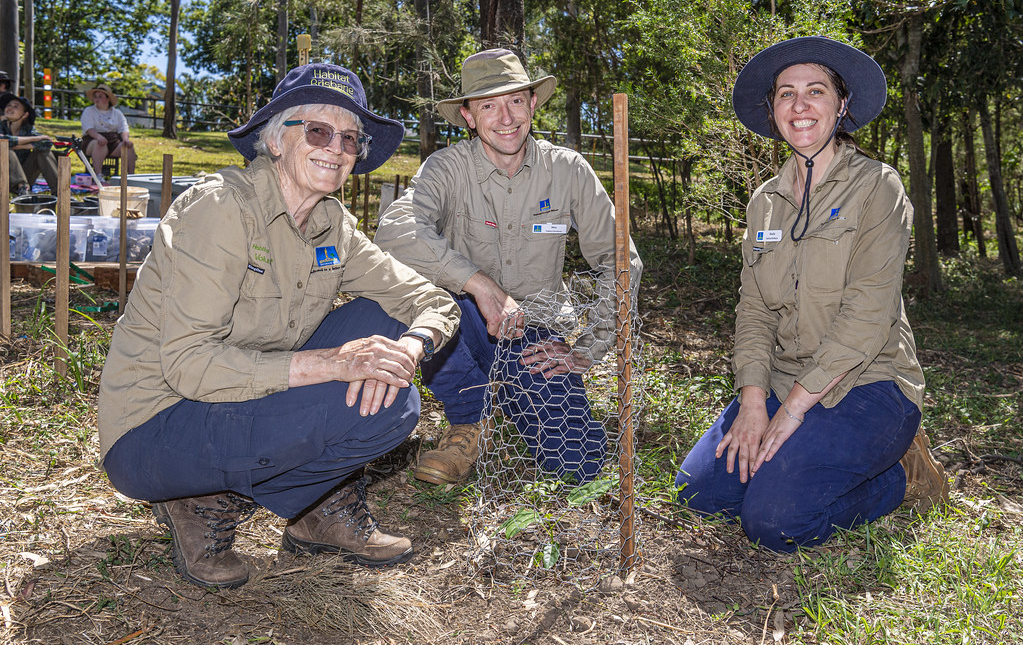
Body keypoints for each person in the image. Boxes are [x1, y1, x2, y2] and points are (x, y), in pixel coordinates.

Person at [98, 63, 461, 590]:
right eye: (318, 131)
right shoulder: (221, 209)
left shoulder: (331, 225)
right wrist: (333, 364)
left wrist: (409, 347)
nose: (336, 148)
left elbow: (431, 299)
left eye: (350, 138)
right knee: (387, 405)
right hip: (156, 427)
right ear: (276, 140)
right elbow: (188, 364)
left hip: (244, 393)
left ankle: (314, 510)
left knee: (388, 351)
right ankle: (197, 499)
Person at [675, 37, 949, 553]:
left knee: (776, 522)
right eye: (786, 94)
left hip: (869, 384)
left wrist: (794, 410)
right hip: (782, 378)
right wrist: (754, 402)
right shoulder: (765, 202)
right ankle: (793, 460)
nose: (800, 106)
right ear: (772, 109)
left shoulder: (878, 188)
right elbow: (753, 309)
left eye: (815, 91)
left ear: (841, 105)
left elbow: (869, 314)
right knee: (699, 494)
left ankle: (900, 477)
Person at [375, 48, 643, 487]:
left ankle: (512, 392)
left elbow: (621, 260)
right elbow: (395, 229)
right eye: (488, 105)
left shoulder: (568, 170)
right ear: (467, 116)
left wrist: (586, 351)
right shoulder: (447, 168)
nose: (505, 117)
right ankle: (469, 421)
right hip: (461, 324)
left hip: (534, 334)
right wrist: (478, 284)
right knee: (420, 301)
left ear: (533, 104)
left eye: (515, 100)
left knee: (578, 462)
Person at [1, 95, 59, 195]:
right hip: (3, 176)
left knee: (42, 152)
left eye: (15, 106)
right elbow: (3, 140)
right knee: (5, 149)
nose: (10, 108)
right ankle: (21, 187)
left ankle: (60, 191)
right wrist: (34, 139)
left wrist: (24, 145)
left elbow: (47, 143)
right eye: (8, 105)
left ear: (24, 115)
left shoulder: (28, 129)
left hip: (25, 175)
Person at [81, 83, 136, 179]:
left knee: (128, 147)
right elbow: (89, 128)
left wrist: (125, 140)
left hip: (113, 141)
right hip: (93, 139)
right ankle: (98, 175)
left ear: (107, 99)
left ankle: (131, 177)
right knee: (100, 144)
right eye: (95, 97)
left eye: (100, 97)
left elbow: (123, 128)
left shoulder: (117, 113)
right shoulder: (89, 111)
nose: (97, 99)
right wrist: (99, 137)